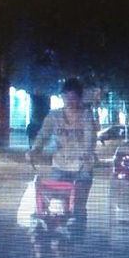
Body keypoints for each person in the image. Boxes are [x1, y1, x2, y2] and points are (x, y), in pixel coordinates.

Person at [27, 78, 97, 242]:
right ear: (62, 97)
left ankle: (78, 237)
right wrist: (35, 150)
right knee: (50, 199)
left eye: (74, 99)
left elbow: (90, 138)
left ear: (80, 98)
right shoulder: (54, 116)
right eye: (67, 98)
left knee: (77, 204)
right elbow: (43, 135)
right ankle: (51, 232)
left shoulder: (87, 116)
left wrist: (87, 152)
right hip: (60, 165)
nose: (70, 103)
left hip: (82, 166)